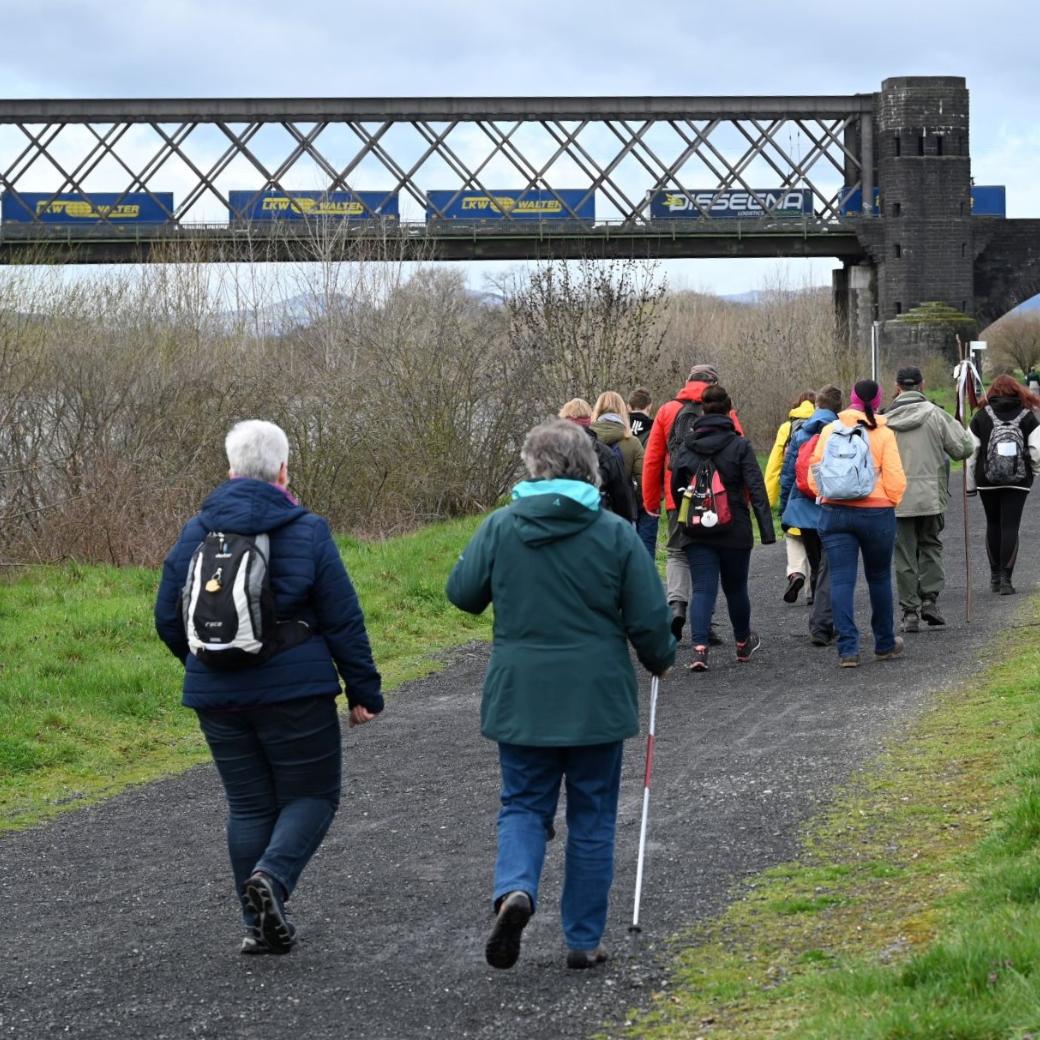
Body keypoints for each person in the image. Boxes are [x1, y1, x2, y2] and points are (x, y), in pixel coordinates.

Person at [446, 419, 674, 972]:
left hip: (521, 696)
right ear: (589, 469)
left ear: (533, 467)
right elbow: (649, 621)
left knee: (523, 804)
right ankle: (583, 938)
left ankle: (516, 890)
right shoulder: (615, 533)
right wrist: (660, 657)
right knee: (593, 816)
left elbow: (462, 593)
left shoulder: (501, 527)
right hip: (595, 699)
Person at [154, 420, 383, 955]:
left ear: (230, 471)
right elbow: (343, 619)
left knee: (250, 807)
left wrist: (205, 663)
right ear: (283, 470)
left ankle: (257, 928)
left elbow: (169, 617)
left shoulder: (196, 532)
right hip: (295, 692)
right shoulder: (307, 529)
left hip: (216, 694)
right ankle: (272, 881)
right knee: (313, 795)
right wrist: (363, 691)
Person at [671, 385, 775, 671]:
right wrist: (767, 530)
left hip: (696, 528)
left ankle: (699, 650)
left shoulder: (687, 446)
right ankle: (742, 643)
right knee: (736, 588)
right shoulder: (739, 445)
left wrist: (688, 514)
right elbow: (755, 486)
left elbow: (676, 486)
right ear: (730, 410)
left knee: (703, 588)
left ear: (702, 410)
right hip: (735, 528)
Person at [808, 379, 907, 667]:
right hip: (876, 514)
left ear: (851, 399)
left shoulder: (829, 430)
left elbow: (814, 473)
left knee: (841, 580)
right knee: (879, 578)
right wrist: (889, 501)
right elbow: (896, 478)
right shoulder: (883, 433)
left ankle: (848, 650)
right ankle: (885, 644)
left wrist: (827, 495)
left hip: (835, 513)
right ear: (877, 402)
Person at [642, 364, 743, 642]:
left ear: (687, 382)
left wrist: (651, 501)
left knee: (677, 552)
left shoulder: (666, 411)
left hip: (679, 496)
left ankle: (676, 604)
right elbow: (740, 452)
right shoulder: (725, 411)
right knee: (708, 557)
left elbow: (653, 459)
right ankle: (704, 623)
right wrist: (742, 499)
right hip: (717, 499)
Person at [885, 365, 974, 629]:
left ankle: (910, 611)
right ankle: (930, 601)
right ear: (922, 386)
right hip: (931, 496)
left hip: (897, 498)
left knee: (904, 554)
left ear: (897, 387)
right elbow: (964, 449)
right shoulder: (937, 415)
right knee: (931, 546)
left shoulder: (884, 420)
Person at [779, 385, 843, 645]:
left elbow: (788, 472)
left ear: (817, 405)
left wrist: (785, 507)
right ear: (838, 407)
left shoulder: (801, 432)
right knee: (833, 568)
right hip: (831, 505)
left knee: (817, 566)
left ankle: (820, 619)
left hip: (804, 507)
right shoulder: (842, 430)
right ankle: (824, 623)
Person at [967, 373, 1040, 594]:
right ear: (1018, 391)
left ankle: (994, 577)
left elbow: (971, 453)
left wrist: (970, 485)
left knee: (993, 524)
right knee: (1011, 526)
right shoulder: (1028, 416)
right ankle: (1007, 580)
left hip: (987, 480)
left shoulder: (981, 416)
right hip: (1018, 481)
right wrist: (1033, 473)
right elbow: (1036, 451)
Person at [765, 392, 816, 604]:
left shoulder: (787, 428)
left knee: (794, 537)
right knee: (817, 540)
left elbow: (775, 466)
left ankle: (796, 573)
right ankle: (814, 589)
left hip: (794, 492)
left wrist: (767, 500)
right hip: (818, 491)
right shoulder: (828, 424)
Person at [559, 397, 637, 520]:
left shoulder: (550, 453)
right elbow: (620, 493)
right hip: (596, 520)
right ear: (589, 421)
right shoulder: (605, 453)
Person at [591, 390, 647, 554]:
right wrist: (634, 504)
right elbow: (644, 480)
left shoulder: (585, 440)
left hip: (592, 511)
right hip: (624, 513)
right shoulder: (632, 442)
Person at [628, 388, 659, 558]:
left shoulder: (620, 429)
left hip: (624, 494)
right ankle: (646, 582)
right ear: (649, 406)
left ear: (628, 406)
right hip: (649, 493)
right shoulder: (655, 428)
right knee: (647, 544)